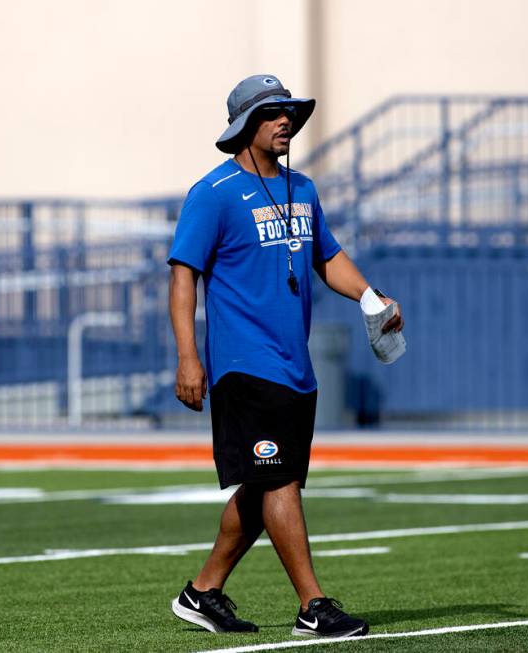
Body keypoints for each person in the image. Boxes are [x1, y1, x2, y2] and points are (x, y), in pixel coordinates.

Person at [166, 74, 404, 638]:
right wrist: (187, 357)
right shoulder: (213, 193)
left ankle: (202, 593)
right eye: (274, 113)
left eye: (290, 113)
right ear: (245, 124)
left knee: (266, 481)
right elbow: (183, 280)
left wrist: (372, 299)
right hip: (245, 366)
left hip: (295, 367)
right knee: (279, 484)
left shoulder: (304, 188)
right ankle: (312, 606)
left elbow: (329, 256)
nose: (286, 122)